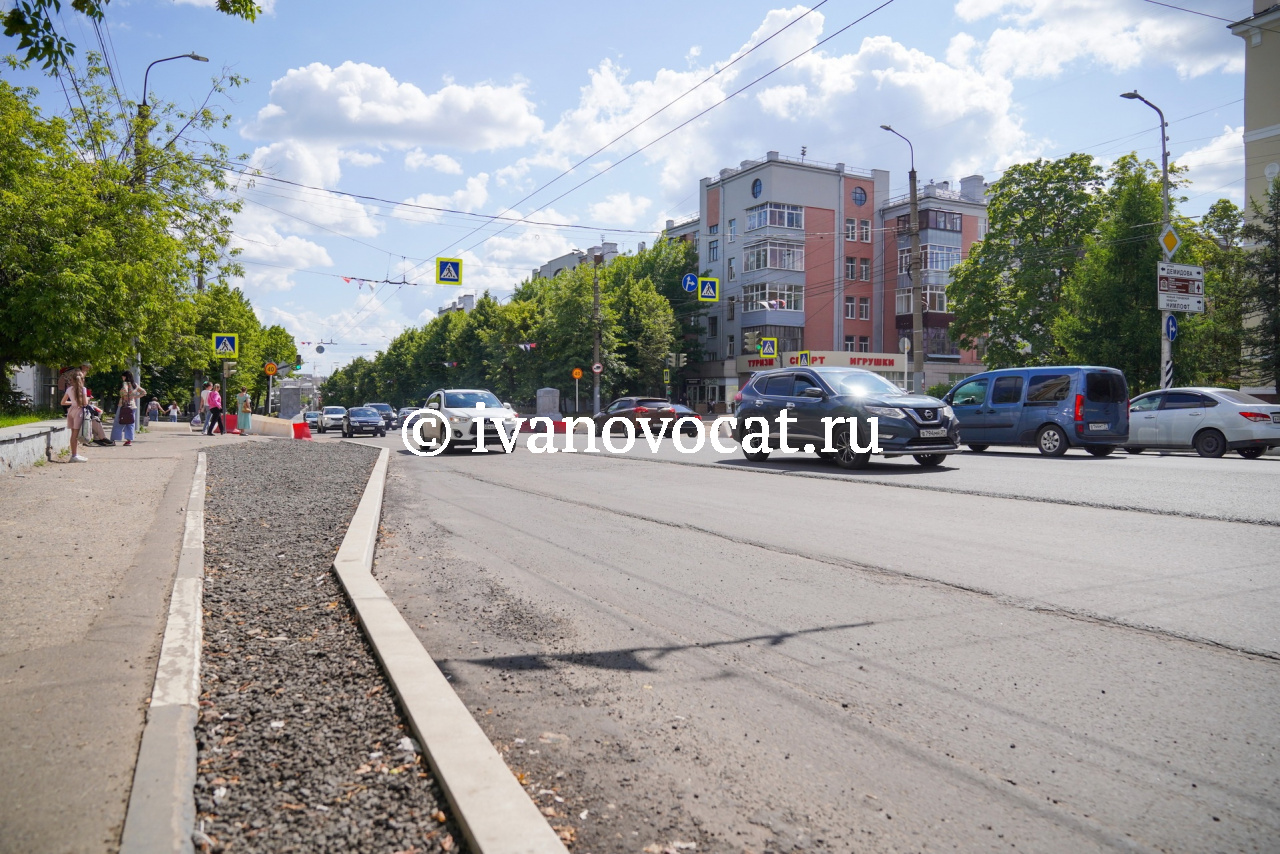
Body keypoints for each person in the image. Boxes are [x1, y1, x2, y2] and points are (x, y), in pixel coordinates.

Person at [60, 370, 89, 462]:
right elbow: (85, 403)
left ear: (72, 380)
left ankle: (74, 454)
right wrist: (87, 398)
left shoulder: (69, 389)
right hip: (79, 411)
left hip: (71, 411)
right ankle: (74, 456)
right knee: (75, 434)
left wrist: (73, 402)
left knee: (73, 434)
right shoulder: (83, 389)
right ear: (82, 380)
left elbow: (63, 402)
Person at [111, 372, 145, 446]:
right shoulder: (135, 385)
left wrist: (125, 396)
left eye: (123, 376)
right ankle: (129, 440)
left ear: (124, 377)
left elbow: (125, 391)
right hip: (132, 406)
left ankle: (113, 440)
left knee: (118, 422)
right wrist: (134, 397)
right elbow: (144, 392)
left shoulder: (125, 383)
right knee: (130, 423)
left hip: (123, 405)